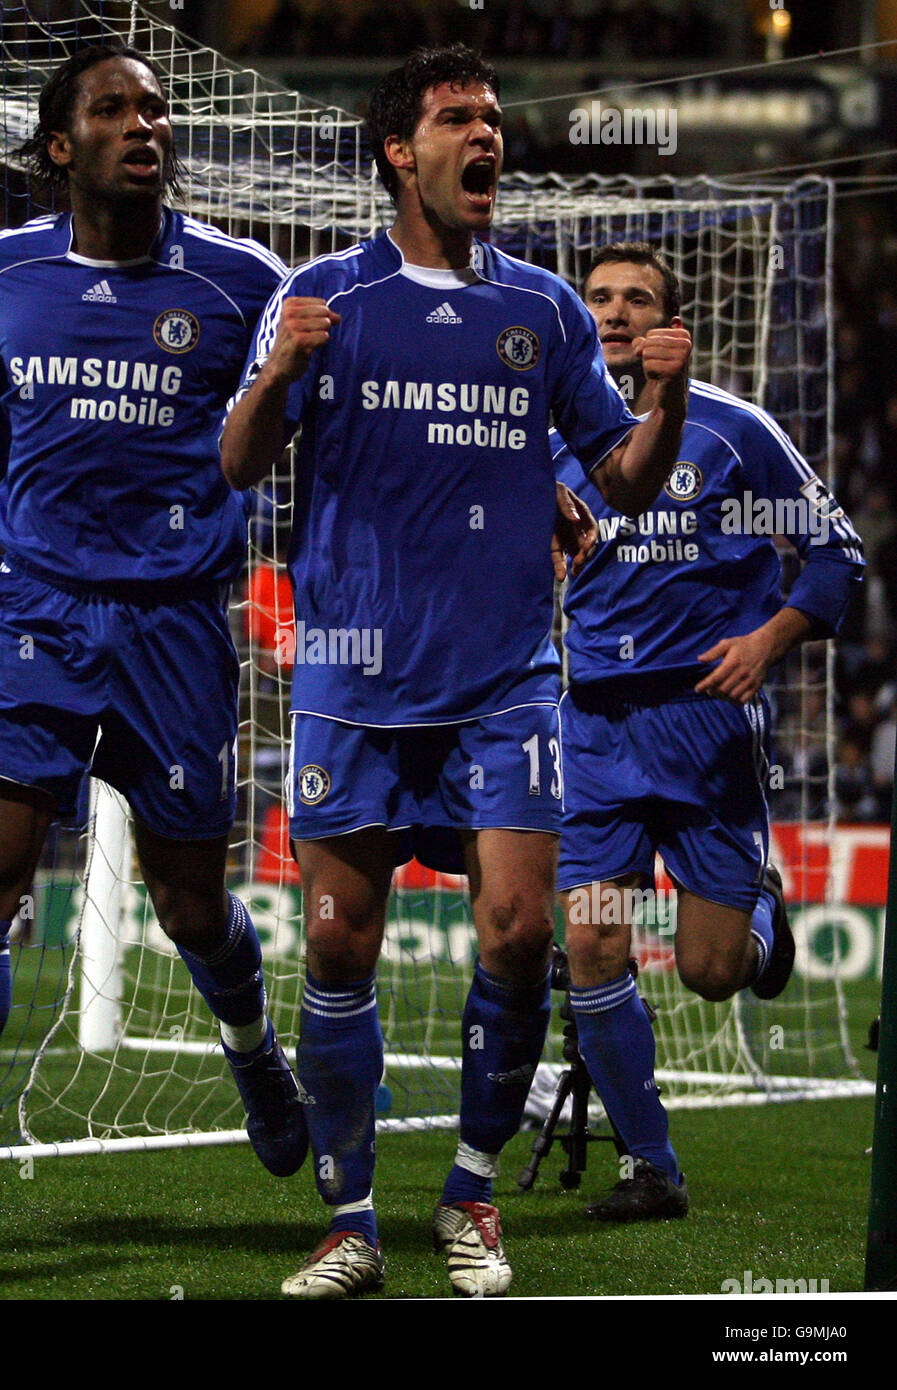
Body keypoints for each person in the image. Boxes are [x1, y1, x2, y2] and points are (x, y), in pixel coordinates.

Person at [221, 45, 691, 1298]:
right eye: (460, 119)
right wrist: (278, 370)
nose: (489, 138)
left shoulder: (537, 310)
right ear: (401, 149)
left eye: (495, 120)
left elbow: (626, 479)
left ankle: (471, 1195)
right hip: (351, 674)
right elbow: (238, 463)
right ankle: (350, 1223)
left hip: (506, 673)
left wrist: (672, 401)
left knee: (523, 929)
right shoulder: (324, 294)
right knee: (336, 944)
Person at [0, 44, 305, 1276]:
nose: (142, 124)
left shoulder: (241, 277)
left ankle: (255, 1048)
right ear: (62, 144)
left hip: (173, 629)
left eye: (155, 109)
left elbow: (279, 436)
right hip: (31, 616)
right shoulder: (7, 270)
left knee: (192, 903)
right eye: (114, 109)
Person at [552, 242, 864, 1221]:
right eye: (597, 297)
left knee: (710, 973)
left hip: (706, 724)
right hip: (596, 726)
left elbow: (836, 554)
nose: (613, 313)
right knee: (593, 944)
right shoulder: (557, 439)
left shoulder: (735, 434)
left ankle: (758, 913)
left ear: (673, 324)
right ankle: (652, 1165)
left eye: (636, 298)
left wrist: (768, 640)